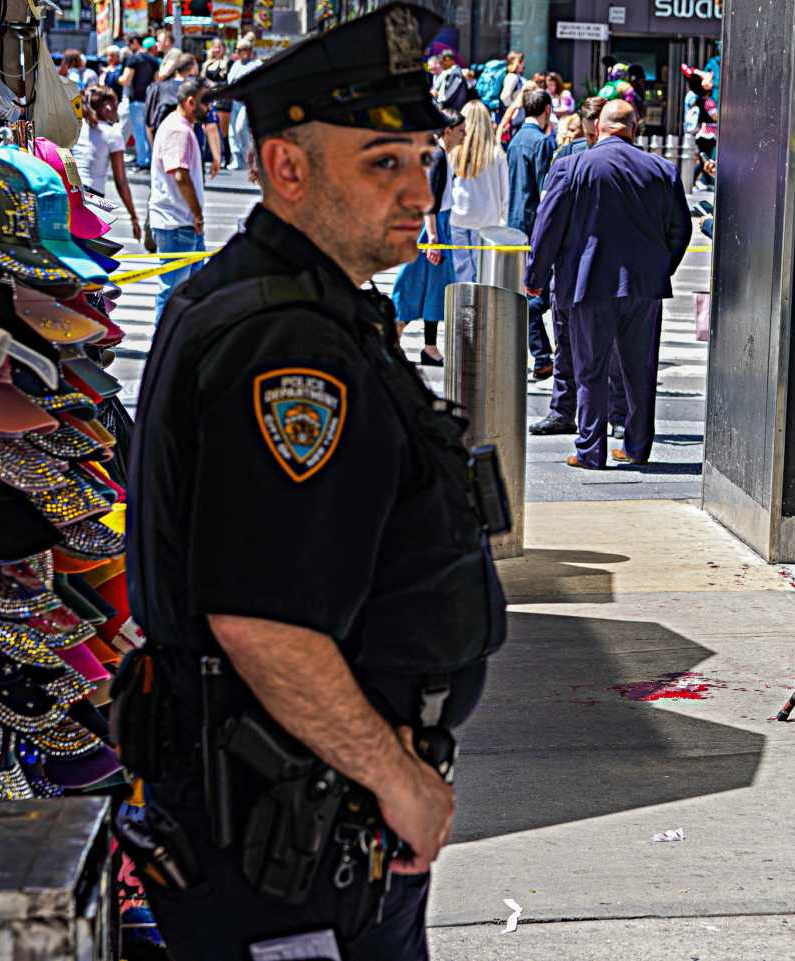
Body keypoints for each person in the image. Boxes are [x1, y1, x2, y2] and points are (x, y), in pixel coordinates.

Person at [121, 6, 506, 959]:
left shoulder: (269, 300)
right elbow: (262, 618)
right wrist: (398, 777)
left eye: (423, 158)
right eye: (383, 165)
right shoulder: (287, 345)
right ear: (286, 169)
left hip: (298, 802)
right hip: (291, 817)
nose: (420, 189)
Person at [525, 99, 692, 468]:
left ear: (597, 128)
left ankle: (591, 451)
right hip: (643, 288)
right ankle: (635, 447)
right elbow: (681, 229)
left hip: (589, 285)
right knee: (639, 372)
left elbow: (547, 228)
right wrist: (660, 270)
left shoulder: (571, 167)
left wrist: (535, 277)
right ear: (634, 129)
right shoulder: (662, 169)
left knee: (590, 370)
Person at [531, 95, 627, 438]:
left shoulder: (619, 160)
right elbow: (549, 217)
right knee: (565, 347)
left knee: (612, 350)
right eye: (585, 135)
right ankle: (563, 410)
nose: (590, 142)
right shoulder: (566, 158)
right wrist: (538, 272)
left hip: (605, 269)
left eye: (594, 134)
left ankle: (616, 415)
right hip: (569, 268)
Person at [391, 109, 465, 365]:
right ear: (447, 130)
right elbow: (429, 201)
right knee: (418, 286)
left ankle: (426, 345)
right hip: (433, 228)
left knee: (429, 289)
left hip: (435, 226)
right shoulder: (438, 156)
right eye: (460, 130)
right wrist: (433, 238)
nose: (464, 135)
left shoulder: (438, 154)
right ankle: (403, 335)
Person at [148, 77, 208, 322]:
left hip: (182, 223)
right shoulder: (177, 130)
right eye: (206, 102)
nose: (209, 107)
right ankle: (159, 347)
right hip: (177, 223)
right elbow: (180, 175)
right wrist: (197, 214)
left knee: (189, 292)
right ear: (190, 101)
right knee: (172, 292)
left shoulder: (182, 127)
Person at [507, 87, 555, 379]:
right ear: (547, 110)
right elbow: (545, 189)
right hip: (533, 223)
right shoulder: (541, 142)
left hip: (514, 220)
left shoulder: (515, 140)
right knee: (539, 295)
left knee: (530, 291)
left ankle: (541, 355)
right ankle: (541, 354)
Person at [449, 99, 508, 283]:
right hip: (487, 221)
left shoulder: (454, 151)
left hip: (457, 217)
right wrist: (504, 221)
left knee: (460, 272)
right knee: (482, 274)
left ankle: (460, 309)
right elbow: (505, 191)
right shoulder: (496, 153)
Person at [72, 85, 142, 240]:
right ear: (108, 107)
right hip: (92, 198)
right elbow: (121, 182)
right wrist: (133, 217)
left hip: (72, 193)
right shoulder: (112, 134)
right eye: (115, 105)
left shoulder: (77, 127)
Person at [119, 35, 160, 169]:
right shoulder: (154, 61)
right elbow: (156, 82)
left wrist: (114, 78)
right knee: (148, 131)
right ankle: (150, 159)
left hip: (135, 100)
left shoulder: (134, 58)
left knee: (139, 133)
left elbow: (125, 80)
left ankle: (142, 161)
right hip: (149, 101)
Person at [226, 39, 261, 169]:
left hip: (247, 102)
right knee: (233, 131)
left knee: (241, 128)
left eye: (245, 49)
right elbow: (230, 81)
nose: (243, 53)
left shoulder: (256, 64)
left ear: (250, 51)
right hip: (235, 101)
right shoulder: (235, 65)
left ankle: (249, 155)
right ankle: (237, 159)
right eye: (240, 50)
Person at [203, 39, 233, 168]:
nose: (217, 49)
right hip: (209, 100)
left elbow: (230, 82)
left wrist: (215, 86)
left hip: (222, 100)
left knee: (223, 131)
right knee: (207, 128)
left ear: (224, 49)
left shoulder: (228, 63)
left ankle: (226, 158)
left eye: (219, 47)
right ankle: (209, 157)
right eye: (215, 47)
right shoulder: (207, 64)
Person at [496, 78, 536, 145]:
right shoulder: (515, 107)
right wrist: (498, 144)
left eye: (532, 91)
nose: (529, 93)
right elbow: (501, 125)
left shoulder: (538, 108)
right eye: (526, 90)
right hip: (515, 144)